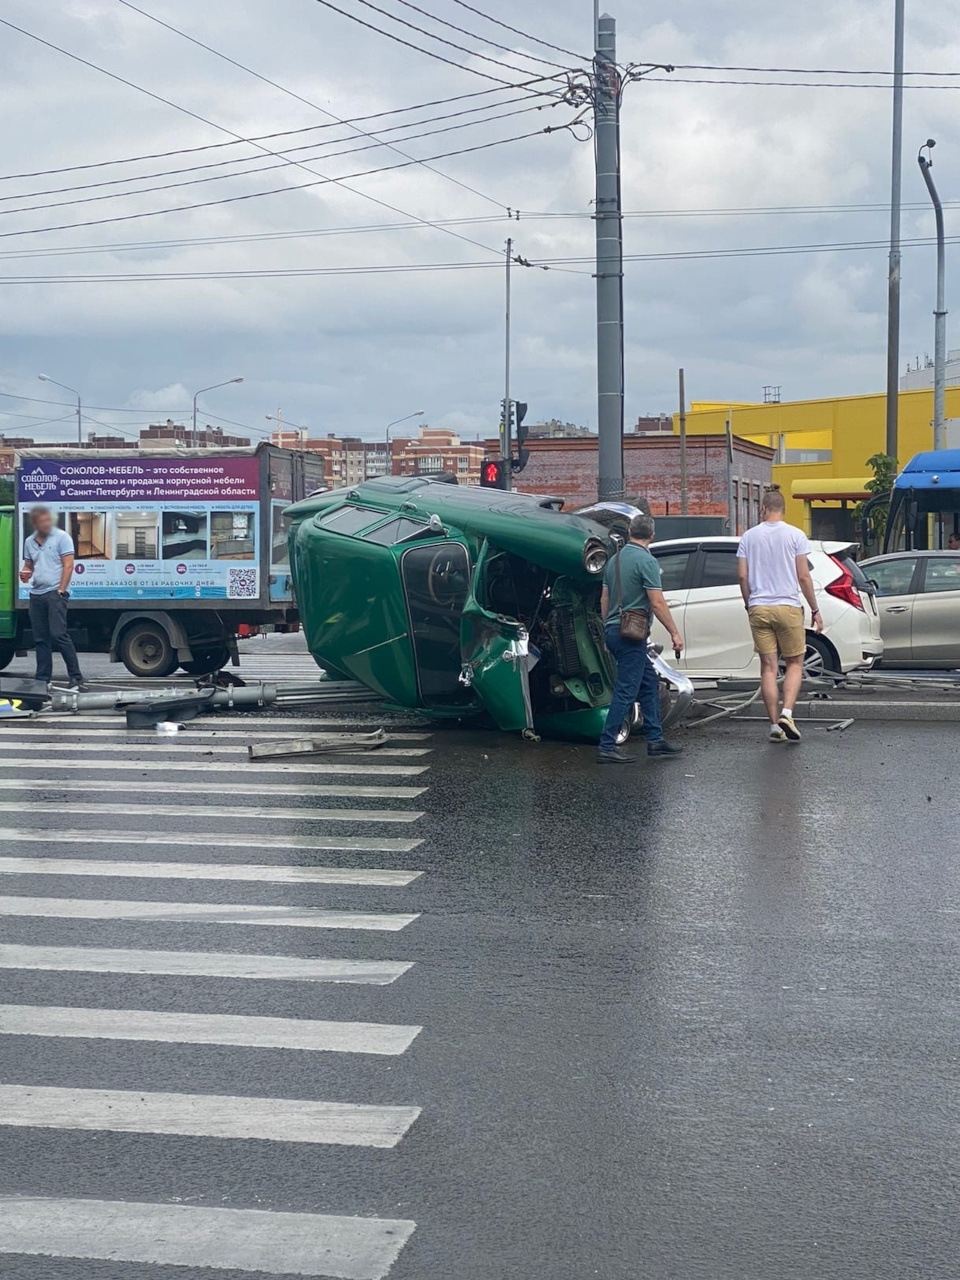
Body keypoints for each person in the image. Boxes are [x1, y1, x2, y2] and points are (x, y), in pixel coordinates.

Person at [597, 513, 685, 763]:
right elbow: (656, 602)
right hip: (632, 635)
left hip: (614, 630)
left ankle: (655, 740)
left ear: (629, 533)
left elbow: (604, 599)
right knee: (626, 690)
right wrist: (674, 633)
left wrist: (607, 629)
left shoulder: (613, 561)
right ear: (652, 535)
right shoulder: (646, 561)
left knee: (647, 683)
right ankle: (606, 745)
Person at [736, 489, 822, 742]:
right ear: (783, 510)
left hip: (759, 607)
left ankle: (774, 726)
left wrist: (749, 603)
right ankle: (787, 713)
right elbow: (804, 576)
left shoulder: (748, 537)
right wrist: (815, 610)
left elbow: (742, 576)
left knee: (768, 668)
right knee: (795, 662)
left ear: (763, 509)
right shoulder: (796, 535)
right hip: (788, 606)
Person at [20, 506, 86, 691]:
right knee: (40, 638)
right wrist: (25, 573)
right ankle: (42, 679)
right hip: (36, 594)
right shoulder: (29, 541)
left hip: (54, 593)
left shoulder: (62, 537)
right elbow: (29, 565)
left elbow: (68, 565)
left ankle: (76, 677)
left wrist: (61, 590)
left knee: (59, 634)